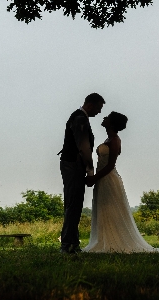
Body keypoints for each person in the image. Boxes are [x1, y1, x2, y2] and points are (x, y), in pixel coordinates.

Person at [84, 111, 159, 253]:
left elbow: (110, 165)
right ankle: (104, 239)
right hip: (101, 178)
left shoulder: (115, 140)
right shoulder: (108, 139)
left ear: (112, 123)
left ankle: (114, 241)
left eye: (107, 117)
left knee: (112, 209)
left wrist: (94, 177)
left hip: (108, 178)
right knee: (103, 209)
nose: (104, 118)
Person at [58, 93, 105, 254]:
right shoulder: (80, 119)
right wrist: (90, 170)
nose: (99, 112)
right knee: (74, 203)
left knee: (73, 203)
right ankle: (68, 244)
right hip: (73, 165)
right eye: (99, 108)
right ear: (90, 105)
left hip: (71, 165)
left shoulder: (78, 117)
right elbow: (84, 147)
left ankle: (71, 242)